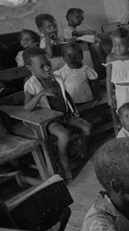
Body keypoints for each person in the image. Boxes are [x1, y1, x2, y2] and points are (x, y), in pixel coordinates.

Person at [22, 47, 92, 182]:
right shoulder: (31, 84)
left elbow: (66, 95)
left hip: (65, 115)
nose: (47, 69)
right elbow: (26, 108)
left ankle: (71, 150)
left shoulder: (57, 77)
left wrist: (73, 110)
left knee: (88, 129)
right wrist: (41, 93)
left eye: (48, 64)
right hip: (49, 120)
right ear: (30, 68)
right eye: (42, 67)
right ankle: (63, 161)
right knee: (64, 135)